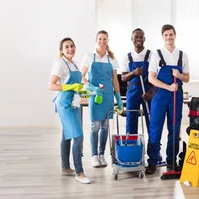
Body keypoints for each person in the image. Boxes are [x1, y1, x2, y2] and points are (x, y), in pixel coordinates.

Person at [145, 24, 190, 174]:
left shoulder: (182, 55)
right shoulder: (156, 55)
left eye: (171, 34)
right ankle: (152, 161)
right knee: (155, 129)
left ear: (175, 35)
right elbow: (151, 78)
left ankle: (171, 161)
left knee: (175, 129)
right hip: (160, 95)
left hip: (176, 96)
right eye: (166, 35)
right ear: (162, 37)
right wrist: (168, 87)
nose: (169, 37)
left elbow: (187, 78)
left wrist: (179, 76)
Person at [49, 37, 91, 184]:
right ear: (61, 50)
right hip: (64, 104)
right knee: (78, 137)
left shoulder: (74, 64)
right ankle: (80, 173)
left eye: (72, 46)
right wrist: (70, 87)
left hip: (74, 103)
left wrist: (89, 91)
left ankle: (66, 167)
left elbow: (80, 84)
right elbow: (52, 85)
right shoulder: (60, 64)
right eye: (66, 47)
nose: (70, 49)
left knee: (66, 136)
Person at [81, 30, 123, 168]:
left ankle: (101, 154)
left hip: (108, 96)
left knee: (105, 126)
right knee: (95, 126)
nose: (102, 41)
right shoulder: (89, 56)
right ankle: (94, 155)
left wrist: (119, 98)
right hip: (95, 95)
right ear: (96, 40)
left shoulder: (112, 59)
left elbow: (115, 81)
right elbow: (81, 77)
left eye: (105, 39)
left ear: (108, 41)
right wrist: (92, 88)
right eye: (100, 39)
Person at [120, 28, 153, 137]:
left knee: (151, 119)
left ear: (144, 39)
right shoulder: (127, 57)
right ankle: (131, 145)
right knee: (131, 118)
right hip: (132, 91)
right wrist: (133, 72)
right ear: (132, 39)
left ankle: (153, 149)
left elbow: (156, 76)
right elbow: (123, 77)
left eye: (141, 37)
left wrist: (150, 93)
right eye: (136, 37)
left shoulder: (151, 55)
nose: (138, 39)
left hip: (147, 92)